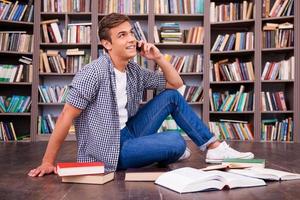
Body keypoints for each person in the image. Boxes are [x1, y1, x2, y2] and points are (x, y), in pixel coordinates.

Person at [28, 13, 254, 177]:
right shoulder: (92, 73)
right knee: (175, 141)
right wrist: (48, 162)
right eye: (122, 35)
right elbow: (67, 115)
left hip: (129, 132)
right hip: (108, 151)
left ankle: (213, 149)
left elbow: (176, 85)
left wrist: (158, 58)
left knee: (171, 98)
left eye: (131, 33)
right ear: (107, 44)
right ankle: (163, 149)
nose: (131, 39)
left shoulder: (133, 70)